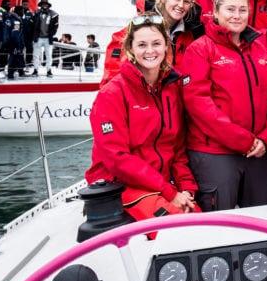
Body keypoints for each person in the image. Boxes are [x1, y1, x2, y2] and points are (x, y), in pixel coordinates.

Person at [85, 14, 199, 220]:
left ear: (166, 47)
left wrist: (187, 188)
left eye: (156, 43)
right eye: (142, 45)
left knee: (197, 216)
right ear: (130, 49)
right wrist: (170, 192)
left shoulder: (171, 89)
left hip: (158, 186)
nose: (150, 51)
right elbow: (117, 159)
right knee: (177, 227)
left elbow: (177, 148)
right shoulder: (112, 93)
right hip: (120, 186)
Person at [182, 0, 267, 210]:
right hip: (216, 154)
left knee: (263, 221)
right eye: (230, 9)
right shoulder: (200, 49)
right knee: (219, 228)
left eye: (242, 10)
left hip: (258, 151)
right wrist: (243, 140)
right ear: (216, 13)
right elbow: (199, 103)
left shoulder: (258, 49)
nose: (237, 15)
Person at [31, 0, 59, 77]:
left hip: (48, 38)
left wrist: (51, 34)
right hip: (38, 37)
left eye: (45, 4)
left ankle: (49, 70)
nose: (44, 5)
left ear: (48, 5)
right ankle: (35, 70)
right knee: (36, 55)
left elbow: (56, 26)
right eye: (43, 4)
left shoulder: (54, 14)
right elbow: (32, 25)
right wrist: (34, 35)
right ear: (41, 5)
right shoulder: (36, 13)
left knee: (49, 55)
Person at [4, 6, 27, 79]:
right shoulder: (16, 21)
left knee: (17, 57)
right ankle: (11, 74)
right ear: (19, 11)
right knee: (13, 57)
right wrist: (18, 44)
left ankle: (20, 72)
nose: (23, 12)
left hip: (11, 41)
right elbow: (15, 33)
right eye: (22, 11)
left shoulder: (10, 18)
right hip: (15, 42)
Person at [0, 0, 11, 72]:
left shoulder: (6, 12)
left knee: (4, 55)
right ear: (3, 4)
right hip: (0, 38)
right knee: (0, 54)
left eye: (9, 4)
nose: (9, 6)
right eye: (8, 4)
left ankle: (2, 69)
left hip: (6, 38)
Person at [20, 0, 34, 66]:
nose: (25, 6)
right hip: (20, 35)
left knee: (30, 49)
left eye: (27, 4)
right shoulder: (19, 11)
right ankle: (21, 62)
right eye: (24, 4)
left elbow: (33, 24)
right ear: (22, 4)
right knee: (20, 49)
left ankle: (29, 62)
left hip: (29, 36)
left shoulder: (30, 13)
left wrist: (32, 35)